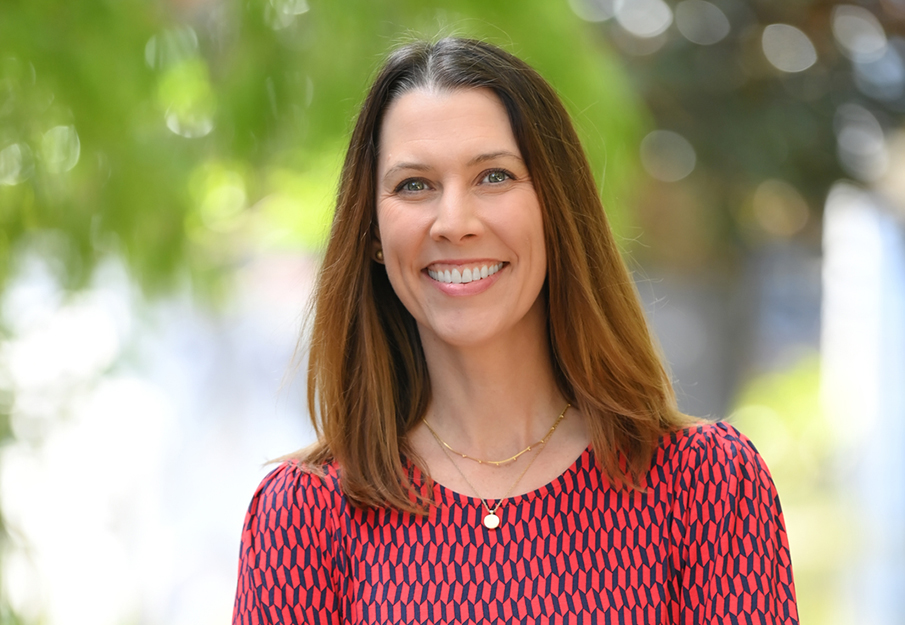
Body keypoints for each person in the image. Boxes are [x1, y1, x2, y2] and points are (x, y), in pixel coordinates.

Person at [232, 38, 798, 624]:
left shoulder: (708, 487)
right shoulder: (302, 517)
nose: (454, 223)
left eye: (494, 176)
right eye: (414, 185)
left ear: (556, 207)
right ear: (373, 234)